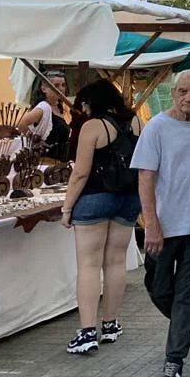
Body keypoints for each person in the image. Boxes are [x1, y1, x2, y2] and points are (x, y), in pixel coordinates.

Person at [133, 70, 190, 377]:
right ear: (173, 93)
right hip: (164, 226)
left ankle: (175, 359)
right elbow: (145, 177)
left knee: (187, 293)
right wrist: (151, 224)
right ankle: (184, 320)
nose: (189, 98)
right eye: (183, 91)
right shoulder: (156, 127)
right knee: (158, 288)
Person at [61, 79, 143, 355]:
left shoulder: (92, 126)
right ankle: (110, 325)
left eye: (83, 104)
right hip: (129, 198)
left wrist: (67, 207)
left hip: (94, 198)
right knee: (116, 261)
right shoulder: (135, 122)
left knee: (88, 265)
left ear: (91, 101)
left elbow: (80, 173)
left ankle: (86, 332)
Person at [17, 69, 72, 160]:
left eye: (63, 85)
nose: (61, 89)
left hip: (58, 160)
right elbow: (22, 124)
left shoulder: (57, 107)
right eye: (56, 85)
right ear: (44, 89)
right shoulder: (43, 107)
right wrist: (37, 141)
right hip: (44, 160)